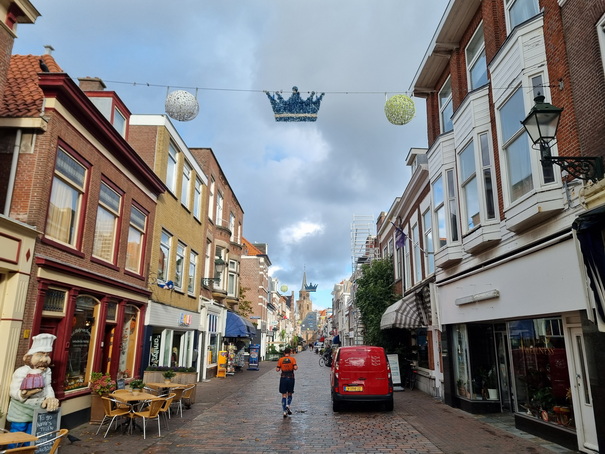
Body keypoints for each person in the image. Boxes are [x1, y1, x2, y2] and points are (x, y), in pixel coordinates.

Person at [7, 333, 60, 443]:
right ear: (29, 357)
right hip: (20, 412)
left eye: (47, 356)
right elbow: (14, 392)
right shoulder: (22, 371)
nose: (44, 360)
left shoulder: (47, 371)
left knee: (31, 435)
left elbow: (48, 386)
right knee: (17, 434)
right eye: (40, 355)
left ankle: (28, 450)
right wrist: (25, 393)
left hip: (36, 411)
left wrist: (50, 398)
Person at [276, 347, 298, 417]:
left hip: (283, 378)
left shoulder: (280, 359)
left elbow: (277, 369)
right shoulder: (293, 359)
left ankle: (284, 411)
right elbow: (295, 368)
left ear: (284, 353)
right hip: (291, 377)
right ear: (290, 353)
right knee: (290, 393)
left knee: (284, 394)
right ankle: (288, 405)